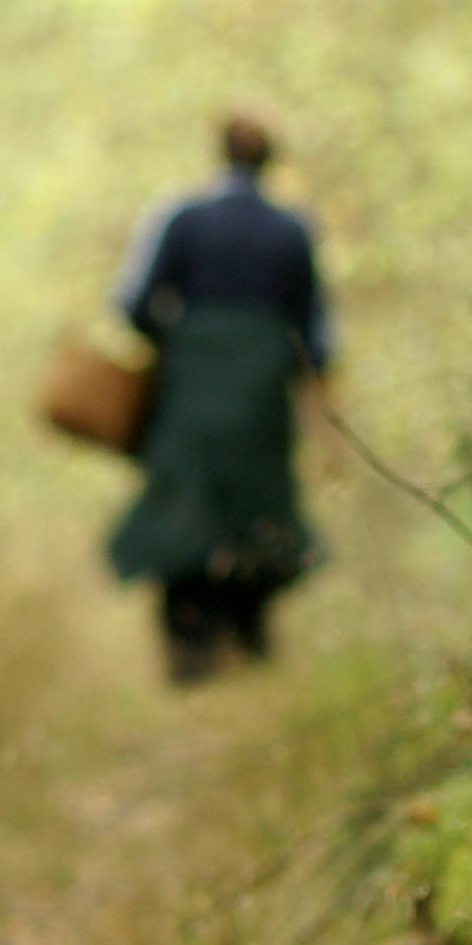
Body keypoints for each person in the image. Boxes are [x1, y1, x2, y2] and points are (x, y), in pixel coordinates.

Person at [108, 114, 335, 683]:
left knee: (183, 511)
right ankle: (252, 648)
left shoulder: (182, 218)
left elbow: (134, 306)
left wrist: (181, 342)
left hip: (188, 392)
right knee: (258, 513)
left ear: (219, 153)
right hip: (262, 398)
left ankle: (189, 656)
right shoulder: (291, 229)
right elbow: (316, 337)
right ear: (269, 160)